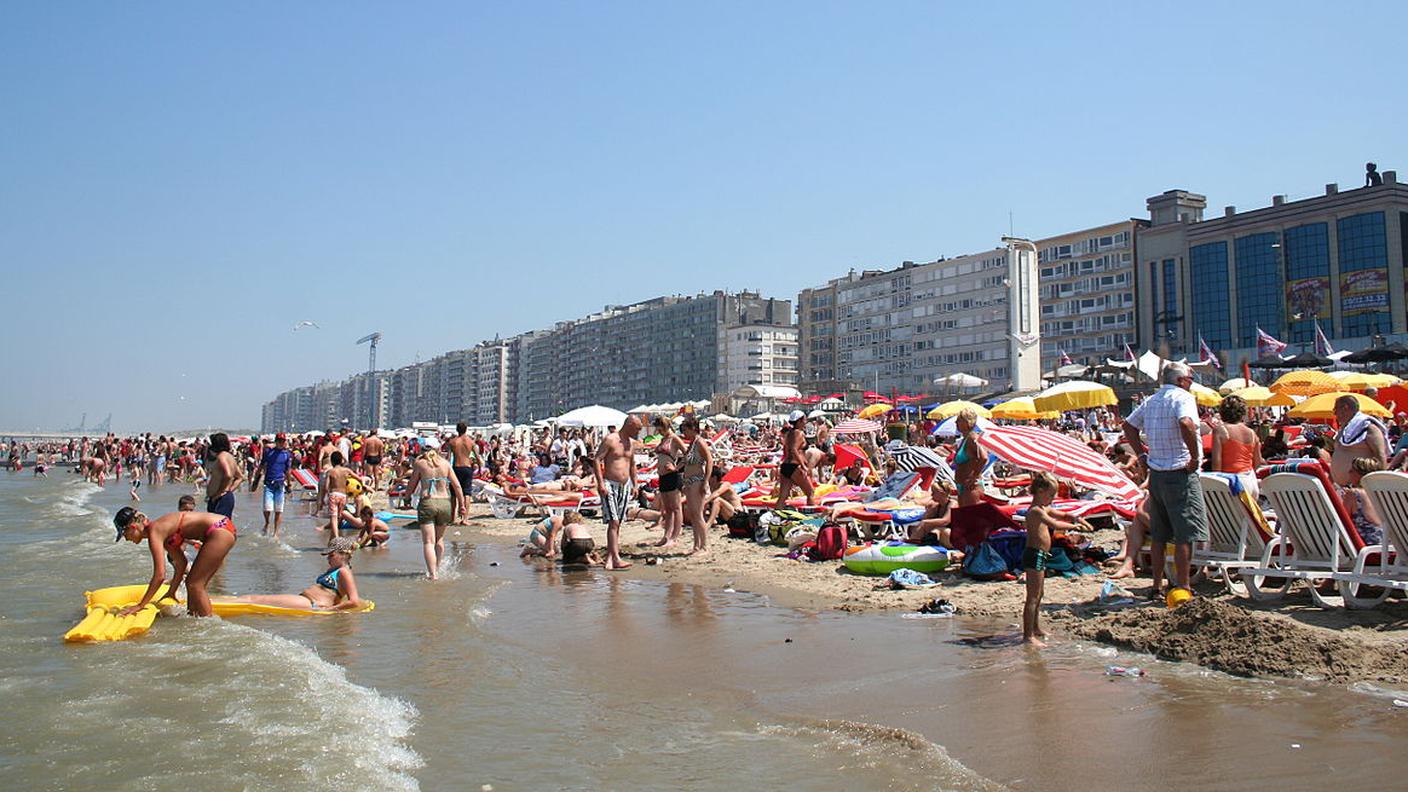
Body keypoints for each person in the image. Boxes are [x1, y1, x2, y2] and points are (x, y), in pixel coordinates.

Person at [1122, 362, 1207, 597]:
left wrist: (1141, 455)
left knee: (1159, 534)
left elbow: (1128, 425)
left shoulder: (1152, 400)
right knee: (1184, 533)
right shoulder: (1182, 398)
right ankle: (1183, 585)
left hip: (1157, 473)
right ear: (1181, 380)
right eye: (1190, 378)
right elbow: (1186, 423)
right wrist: (1194, 457)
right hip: (1179, 471)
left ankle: (1157, 585)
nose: (1191, 382)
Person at [112, 506, 237, 617]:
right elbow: (181, 563)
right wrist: (171, 592)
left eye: (124, 535)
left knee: (195, 585)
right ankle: (195, 621)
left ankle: (210, 629)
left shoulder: (155, 531)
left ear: (132, 527)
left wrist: (140, 605)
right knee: (192, 584)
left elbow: (160, 575)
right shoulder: (163, 532)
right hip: (222, 528)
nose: (127, 539)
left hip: (218, 530)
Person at [216, 537, 365, 611]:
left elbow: (354, 601)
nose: (328, 558)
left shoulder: (344, 572)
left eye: (331, 555)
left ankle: (212, 605)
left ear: (343, 554)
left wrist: (330, 611)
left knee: (254, 599)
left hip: (311, 604)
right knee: (253, 598)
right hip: (305, 600)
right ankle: (218, 603)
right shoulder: (334, 570)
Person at [1023, 472, 1081, 646]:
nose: (1052, 499)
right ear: (1040, 491)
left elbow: (1060, 515)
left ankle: (1036, 628)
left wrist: (1075, 517)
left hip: (1041, 555)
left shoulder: (1043, 508)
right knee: (1032, 596)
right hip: (1034, 555)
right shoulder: (1035, 511)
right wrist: (1075, 526)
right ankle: (1027, 636)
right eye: (1051, 495)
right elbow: (1055, 524)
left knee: (1039, 594)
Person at [405, 447, 462, 579]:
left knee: (428, 542)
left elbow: (412, 485)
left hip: (428, 502)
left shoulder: (420, 464)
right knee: (439, 539)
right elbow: (457, 486)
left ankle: (432, 574)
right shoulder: (445, 464)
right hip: (444, 503)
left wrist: (407, 498)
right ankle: (437, 567)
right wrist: (462, 505)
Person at [593, 415, 641, 570]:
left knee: (617, 522)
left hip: (624, 485)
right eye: (637, 429)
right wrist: (600, 483)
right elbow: (597, 460)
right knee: (613, 521)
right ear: (629, 425)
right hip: (610, 484)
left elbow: (632, 464)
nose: (639, 432)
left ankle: (610, 557)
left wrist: (635, 484)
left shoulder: (632, 444)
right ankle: (616, 557)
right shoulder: (611, 439)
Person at [1210, 395, 1264, 501]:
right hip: (1251, 481)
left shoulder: (1220, 430)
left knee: (1228, 517)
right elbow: (1257, 462)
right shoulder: (1252, 433)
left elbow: (1216, 465)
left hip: (1233, 482)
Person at [1332, 394, 1388, 487]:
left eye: (1335, 409)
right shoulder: (1345, 429)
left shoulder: (1369, 428)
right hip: (1343, 487)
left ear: (1345, 408)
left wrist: (1380, 483)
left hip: (1363, 487)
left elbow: (1380, 455)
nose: (1334, 414)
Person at [678, 416, 715, 555]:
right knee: (693, 514)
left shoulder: (700, 442)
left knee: (698, 514)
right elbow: (685, 462)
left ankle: (704, 546)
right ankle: (696, 545)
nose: (684, 433)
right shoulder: (692, 443)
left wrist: (706, 481)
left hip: (697, 480)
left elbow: (709, 461)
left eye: (685, 430)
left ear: (693, 429)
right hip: (689, 481)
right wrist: (675, 469)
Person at [651, 415, 686, 548]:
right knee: (667, 509)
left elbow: (687, 454)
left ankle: (675, 536)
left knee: (676, 508)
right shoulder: (664, 439)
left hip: (672, 476)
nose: (658, 432)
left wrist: (676, 467)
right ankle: (666, 536)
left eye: (660, 429)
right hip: (663, 476)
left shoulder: (674, 439)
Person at [1339, 456, 1386, 546]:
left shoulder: (1354, 494)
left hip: (1367, 547)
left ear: (1361, 474)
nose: (1349, 472)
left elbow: (1341, 521)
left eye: (1352, 470)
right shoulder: (1381, 494)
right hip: (1388, 546)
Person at [774, 410, 815, 507]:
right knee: (810, 493)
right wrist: (803, 465)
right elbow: (794, 449)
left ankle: (775, 516)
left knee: (783, 497)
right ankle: (812, 517)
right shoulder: (799, 433)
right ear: (800, 421)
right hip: (795, 466)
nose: (806, 421)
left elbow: (789, 449)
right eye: (804, 419)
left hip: (786, 466)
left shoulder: (789, 433)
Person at [257, 433, 294, 538]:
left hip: (280, 484)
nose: (281, 443)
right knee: (267, 509)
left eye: (283, 441)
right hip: (268, 483)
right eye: (279, 441)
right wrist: (256, 480)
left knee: (278, 510)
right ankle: (267, 523)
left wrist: (289, 484)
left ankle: (276, 532)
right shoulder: (268, 452)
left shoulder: (286, 454)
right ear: (276, 441)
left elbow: (288, 470)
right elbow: (261, 465)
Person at [204, 432, 243, 518]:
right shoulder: (230, 456)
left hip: (220, 498)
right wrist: (229, 490)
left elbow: (228, 475)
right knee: (223, 526)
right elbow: (240, 477)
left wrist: (220, 492)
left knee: (217, 527)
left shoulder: (221, 457)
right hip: (223, 497)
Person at [446, 423, 479, 525]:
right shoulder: (471, 442)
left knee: (454, 493)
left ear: (457, 430)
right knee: (467, 493)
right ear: (466, 429)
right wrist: (480, 467)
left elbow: (447, 458)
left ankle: (452, 518)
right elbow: (477, 457)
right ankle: (465, 519)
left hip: (456, 468)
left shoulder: (453, 442)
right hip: (467, 467)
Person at [323, 452, 354, 542]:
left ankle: (336, 538)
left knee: (333, 517)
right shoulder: (347, 470)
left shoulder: (330, 472)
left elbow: (326, 487)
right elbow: (358, 478)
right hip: (343, 496)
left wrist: (325, 497)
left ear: (331, 461)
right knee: (338, 517)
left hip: (334, 495)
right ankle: (331, 540)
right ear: (341, 460)